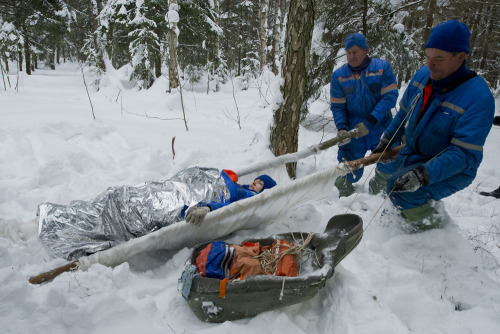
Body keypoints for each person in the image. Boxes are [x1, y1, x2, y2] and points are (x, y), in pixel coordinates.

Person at [372, 20, 495, 226]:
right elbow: (404, 112)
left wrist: (422, 175)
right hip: (414, 151)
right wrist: (388, 139)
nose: (430, 64)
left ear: (460, 57)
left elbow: (464, 153)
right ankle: (380, 208)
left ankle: (431, 237)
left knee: (402, 191)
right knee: (384, 169)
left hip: (454, 167)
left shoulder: (478, 97)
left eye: (438, 58)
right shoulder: (424, 75)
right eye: (427, 56)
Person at [37, 167, 277, 260]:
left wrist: (208, 207)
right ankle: (72, 218)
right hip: (185, 189)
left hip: (189, 203)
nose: (253, 184)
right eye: (254, 181)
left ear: (263, 191)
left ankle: (72, 228)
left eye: (258, 185)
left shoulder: (246, 199)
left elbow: (228, 207)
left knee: (133, 209)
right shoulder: (238, 186)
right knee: (121, 196)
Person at [330, 33, 399, 197]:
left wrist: (369, 122)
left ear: (366, 50)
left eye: (355, 52)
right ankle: (343, 196)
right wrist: (342, 129)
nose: (351, 56)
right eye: (348, 52)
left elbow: (390, 97)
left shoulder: (382, 68)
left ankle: (378, 189)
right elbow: (338, 106)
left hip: (381, 125)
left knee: (389, 162)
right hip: (354, 131)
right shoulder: (339, 75)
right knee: (348, 167)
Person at [185, 172, 277, 224]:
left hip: (206, 204)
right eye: (255, 180)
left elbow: (233, 206)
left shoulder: (252, 198)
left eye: (260, 183)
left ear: (265, 190)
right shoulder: (242, 188)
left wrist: (209, 208)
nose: (254, 182)